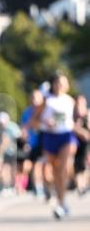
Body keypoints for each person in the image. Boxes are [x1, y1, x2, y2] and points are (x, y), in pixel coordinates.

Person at [39, 72, 76, 219]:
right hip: (50, 136)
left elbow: (71, 121)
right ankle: (59, 198)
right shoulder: (46, 101)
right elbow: (37, 120)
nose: (60, 85)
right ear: (53, 85)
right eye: (57, 83)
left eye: (63, 83)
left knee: (62, 168)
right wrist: (46, 123)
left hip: (66, 136)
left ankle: (61, 203)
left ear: (67, 86)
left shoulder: (70, 101)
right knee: (54, 171)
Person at [72, 94, 89, 196]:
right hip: (76, 142)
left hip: (86, 143)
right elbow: (71, 127)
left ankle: (84, 184)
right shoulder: (73, 116)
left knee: (85, 164)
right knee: (77, 164)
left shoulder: (87, 114)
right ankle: (80, 185)